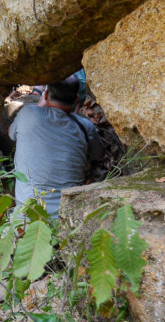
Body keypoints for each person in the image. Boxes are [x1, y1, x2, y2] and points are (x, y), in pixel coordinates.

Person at [9, 74, 104, 218]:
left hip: (25, 221)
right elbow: (99, 155)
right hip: (67, 222)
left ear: (45, 95)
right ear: (77, 100)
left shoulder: (28, 114)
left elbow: (11, 133)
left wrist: (40, 105)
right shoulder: (86, 127)